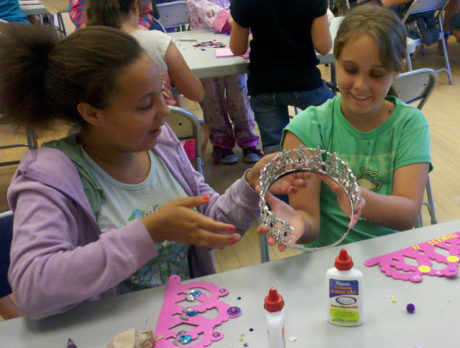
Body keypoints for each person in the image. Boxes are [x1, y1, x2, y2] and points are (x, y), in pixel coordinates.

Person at [0, 24, 307, 319]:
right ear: (92, 113)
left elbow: (209, 222)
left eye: (162, 94)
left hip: (184, 325)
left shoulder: (160, 144)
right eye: (145, 105)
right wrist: (149, 231)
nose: (164, 111)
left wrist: (250, 184)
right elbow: (32, 288)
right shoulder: (49, 178)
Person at [260, 5, 431, 250]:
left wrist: (358, 197)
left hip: (390, 259)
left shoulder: (409, 125)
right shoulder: (306, 129)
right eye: (350, 69)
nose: (361, 85)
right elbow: (309, 220)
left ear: (396, 71)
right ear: (335, 60)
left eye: (376, 74)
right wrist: (298, 223)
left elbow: (406, 215)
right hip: (329, 265)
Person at [229, 0, 335, 155]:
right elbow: (324, 47)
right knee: (336, 126)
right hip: (304, 81)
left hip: (264, 84)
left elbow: (238, 48)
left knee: (275, 154)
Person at [186, 0, 262, 165]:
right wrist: (230, 18)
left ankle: (248, 139)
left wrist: (242, 19)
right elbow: (199, 5)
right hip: (203, 44)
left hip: (235, 41)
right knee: (211, 97)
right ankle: (221, 142)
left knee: (240, 94)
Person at [87, 0, 204, 103]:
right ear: (134, 4)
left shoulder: (87, 46)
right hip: (158, 125)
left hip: (110, 127)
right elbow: (196, 93)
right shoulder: (157, 41)